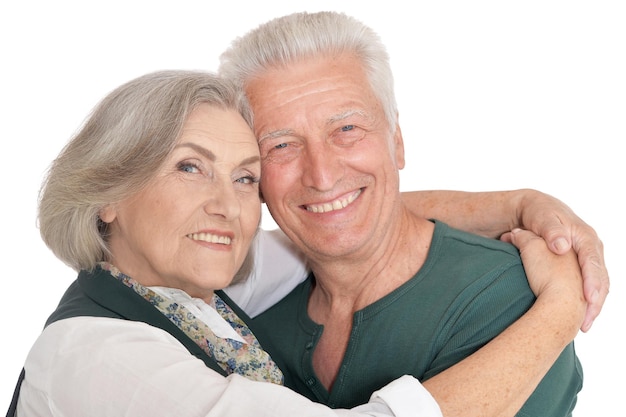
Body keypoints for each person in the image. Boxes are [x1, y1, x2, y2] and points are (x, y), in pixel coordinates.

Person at [7, 70, 584, 417]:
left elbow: (332, 215)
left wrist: (517, 204)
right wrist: (560, 311)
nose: (228, 206)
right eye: (189, 167)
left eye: (245, 176)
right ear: (108, 193)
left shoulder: (192, 288)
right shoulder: (97, 357)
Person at [217, 11, 598, 416]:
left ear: (396, 141)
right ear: (252, 175)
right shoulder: (240, 303)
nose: (322, 176)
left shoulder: (506, 299)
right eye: (281, 146)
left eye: (346, 129)